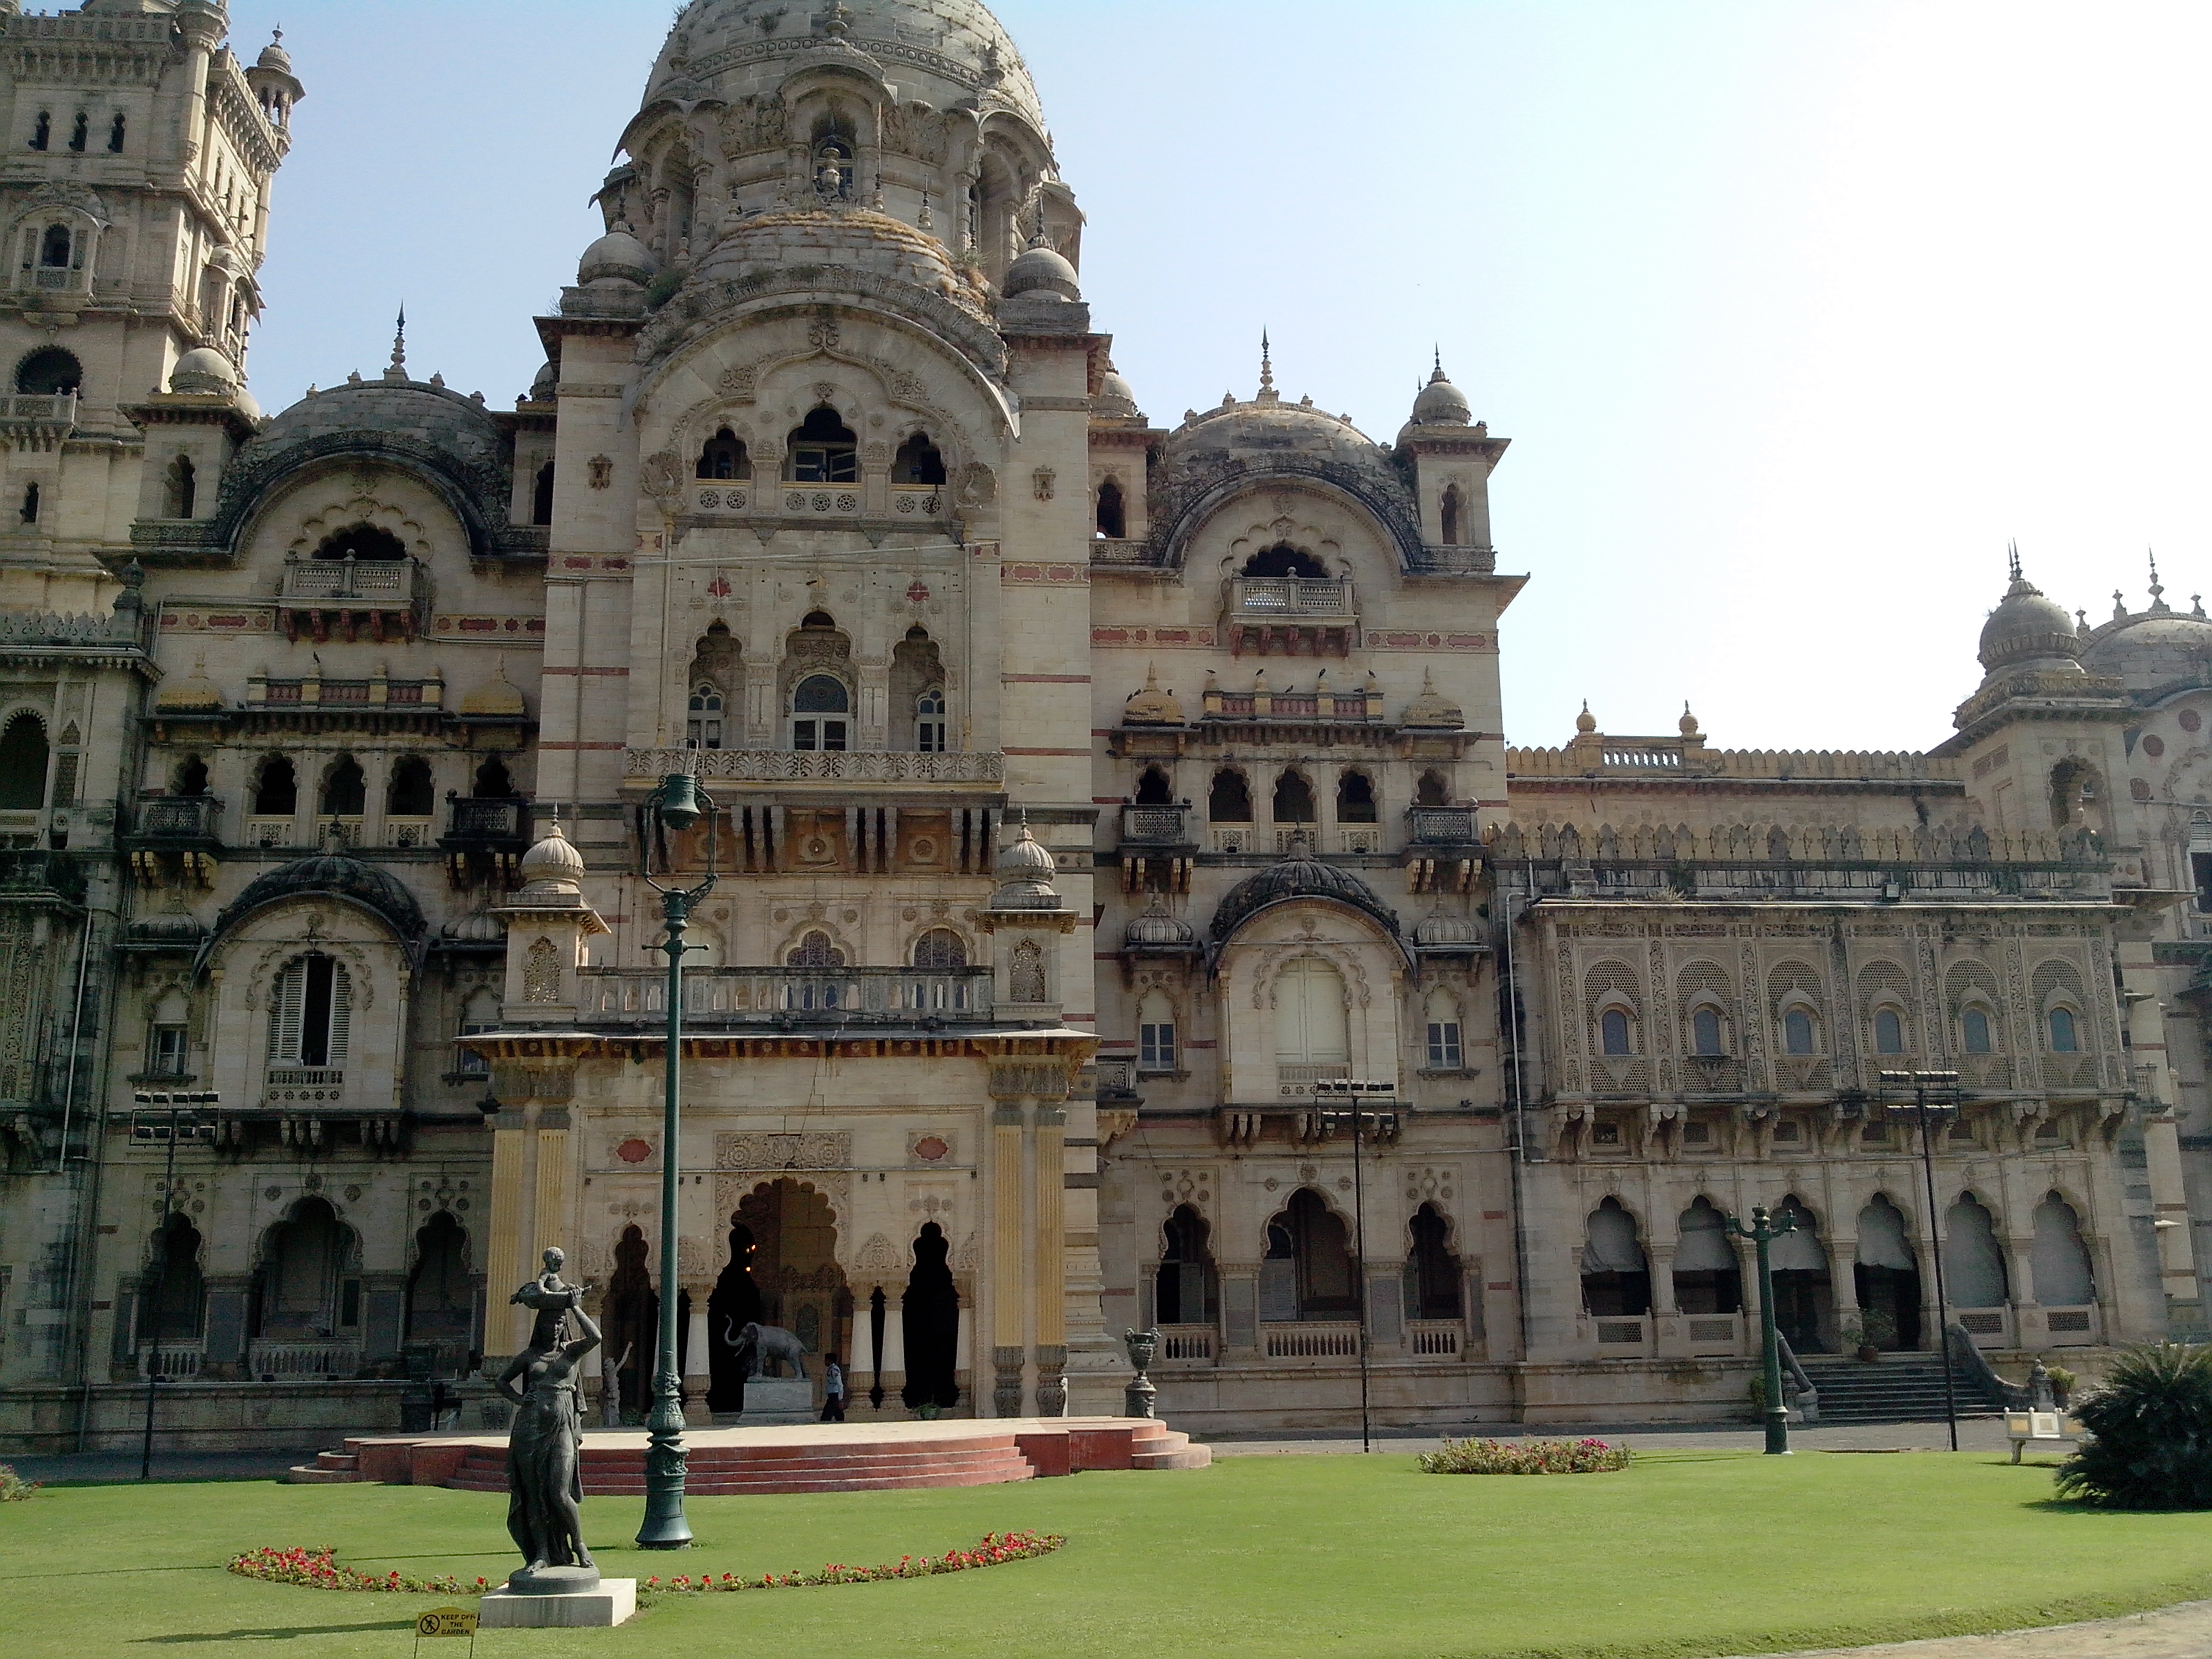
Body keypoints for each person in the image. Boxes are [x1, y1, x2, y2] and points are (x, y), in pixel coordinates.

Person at [491, 1248, 601, 1585]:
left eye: (559, 1324)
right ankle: (540, 1553)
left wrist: (574, 1307)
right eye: (550, 1323)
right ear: (541, 1326)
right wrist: (520, 1400)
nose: (554, 1328)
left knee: (559, 1492)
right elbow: (501, 1381)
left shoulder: (571, 1352)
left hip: (561, 1423)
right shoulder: (530, 1356)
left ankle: (579, 1546)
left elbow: (596, 1337)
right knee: (534, 1494)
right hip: (530, 1426)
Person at [821, 1350, 847, 1422]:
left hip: (834, 1396)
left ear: (830, 1361)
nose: (825, 1362)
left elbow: (840, 1384)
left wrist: (840, 1398)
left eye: (826, 1360)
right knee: (839, 1416)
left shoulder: (834, 1370)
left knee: (826, 1416)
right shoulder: (831, 1369)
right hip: (832, 1396)